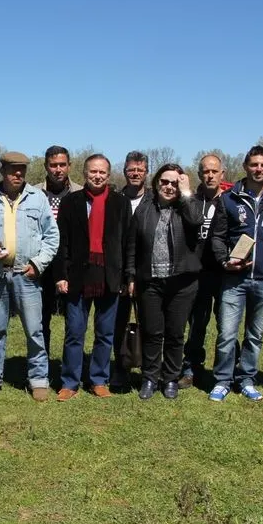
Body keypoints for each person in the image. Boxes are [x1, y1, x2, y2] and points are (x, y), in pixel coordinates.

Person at [0, 151, 59, 402]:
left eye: (22, 170)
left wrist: (38, 264)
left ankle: (39, 380)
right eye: (12, 170)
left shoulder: (37, 199)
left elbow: (52, 237)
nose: (18, 174)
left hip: (26, 275)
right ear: (2, 171)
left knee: (34, 330)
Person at [209, 145, 263, 402]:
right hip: (234, 279)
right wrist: (224, 261)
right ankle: (222, 379)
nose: (259, 169)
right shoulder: (229, 198)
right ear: (246, 166)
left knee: (255, 336)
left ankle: (246, 378)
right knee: (227, 334)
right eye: (254, 164)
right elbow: (218, 237)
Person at [53, 154, 132, 400]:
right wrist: (61, 275)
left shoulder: (121, 203)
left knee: (105, 332)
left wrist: (127, 276)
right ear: (85, 173)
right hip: (78, 277)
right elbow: (62, 242)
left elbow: (128, 242)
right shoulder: (70, 202)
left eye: (102, 172)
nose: (97, 176)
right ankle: (70, 382)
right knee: (75, 332)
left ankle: (99, 379)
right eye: (93, 172)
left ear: (108, 176)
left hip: (109, 277)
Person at [127, 164, 202, 400]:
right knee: (152, 332)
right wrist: (130, 274)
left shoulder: (187, 206)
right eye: (165, 182)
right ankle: (150, 377)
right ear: (156, 183)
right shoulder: (144, 209)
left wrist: (187, 192)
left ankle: (170, 378)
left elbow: (196, 220)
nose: (169, 187)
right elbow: (132, 244)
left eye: (174, 183)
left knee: (175, 333)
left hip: (182, 282)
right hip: (151, 281)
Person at [180, 154, 227, 388]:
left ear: (222, 175)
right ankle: (190, 368)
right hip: (196, 272)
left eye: (214, 171)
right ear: (200, 175)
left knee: (225, 324)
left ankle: (225, 370)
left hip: (223, 273)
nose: (210, 175)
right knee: (197, 324)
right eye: (205, 171)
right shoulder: (192, 200)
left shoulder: (229, 200)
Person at [111, 150, 151, 390]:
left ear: (146, 172)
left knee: (150, 323)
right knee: (118, 323)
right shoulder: (116, 199)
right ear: (125, 171)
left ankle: (149, 368)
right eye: (131, 170)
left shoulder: (155, 199)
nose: (135, 173)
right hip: (119, 274)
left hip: (148, 273)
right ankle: (120, 367)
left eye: (140, 170)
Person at [37, 145, 82, 356]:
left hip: (71, 265)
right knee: (40, 320)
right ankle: (40, 366)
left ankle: (70, 366)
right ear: (46, 166)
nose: (58, 169)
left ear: (69, 166)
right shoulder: (33, 193)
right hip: (41, 265)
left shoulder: (81, 192)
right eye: (53, 165)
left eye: (62, 165)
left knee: (73, 322)